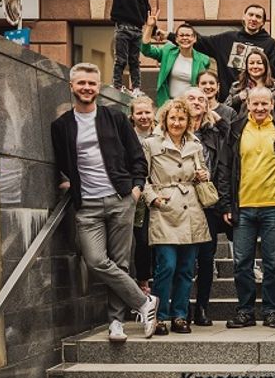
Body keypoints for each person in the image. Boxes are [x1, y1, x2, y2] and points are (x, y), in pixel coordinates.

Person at [51, 63, 159, 342]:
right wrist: (70, 181)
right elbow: (63, 161)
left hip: (121, 199)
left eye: (92, 83)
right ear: (71, 86)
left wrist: (136, 189)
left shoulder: (115, 118)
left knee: (120, 263)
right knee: (96, 260)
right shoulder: (61, 126)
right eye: (81, 83)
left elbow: (137, 157)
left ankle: (116, 323)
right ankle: (144, 301)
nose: (87, 88)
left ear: (98, 87)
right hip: (87, 205)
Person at [216, 87, 275, 329]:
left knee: (273, 263)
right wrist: (226, 204)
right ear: (248, 105)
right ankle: (245, 311)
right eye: (255, 104)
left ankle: (272, 310)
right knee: (242, 262)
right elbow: (224, 168)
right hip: (243, 206)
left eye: (264, 103)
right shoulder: (236, 128)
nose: (260, 108)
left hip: (273, 205)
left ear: (271, 104)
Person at [141, 100, 211, 334]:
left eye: (182, 119)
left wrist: (203, 175)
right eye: (173, 118)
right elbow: (142, 177)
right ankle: (160, 316)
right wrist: (153, 199)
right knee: (167, 266)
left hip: (191, 210)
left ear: (188, 121)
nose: (177, 123)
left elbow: (204, 172)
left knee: (186, 268)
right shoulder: (151, 143)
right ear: (165, 119)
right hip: (165, 209)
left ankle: (180, 315)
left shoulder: (195, 144)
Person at [189, 87, 231, 327]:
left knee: (206, 257)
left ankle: (201, 307)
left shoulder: (214, 132)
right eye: (191, 98)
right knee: (183, 259)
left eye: (202, 100)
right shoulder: (174, 129)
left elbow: (232, 137)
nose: (197, 102)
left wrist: (218, 119)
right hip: (180, 203)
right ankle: (180, 308)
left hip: (207, 203)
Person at [190, 4, 275, 101]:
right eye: (250, 15)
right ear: (244, 17)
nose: (253, 19)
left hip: (256, 102)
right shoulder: (227, 39)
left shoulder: (270, 44)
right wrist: (181, 35)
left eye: (258, 16)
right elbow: (200, 42)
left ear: (262, 22)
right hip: (227, 99)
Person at [140, 16, 212, 106]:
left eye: (188, 35)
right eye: (181, 35)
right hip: (169, 104)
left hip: (191, 105)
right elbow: (146, 50)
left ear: (194, 39)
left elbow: (203, 85)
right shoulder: (168, 52)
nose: (185, 38)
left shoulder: (203, 59)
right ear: (176, 39)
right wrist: (150, 27)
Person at [129, 95, 156, 294]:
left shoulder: (162, 134)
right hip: (137, 195)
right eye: (139, 113)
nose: (144, 116)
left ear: (154, 113)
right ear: (132, 116)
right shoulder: (127, 136)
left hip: (160, 193)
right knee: (143, 239)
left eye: (147, 112)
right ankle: (143, 281)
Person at [227, 49, 275, 117]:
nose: (255, 66)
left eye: (259, 63)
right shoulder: (237, 86)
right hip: (243, 123)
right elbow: (224, 109)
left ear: (265, 66)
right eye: (251, 63)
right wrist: (238, 98)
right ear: (246, 66)